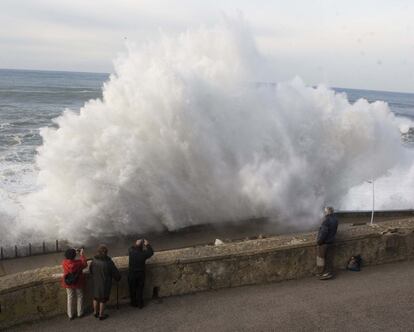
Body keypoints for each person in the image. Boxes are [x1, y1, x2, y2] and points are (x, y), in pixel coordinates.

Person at [89, 244, 121, 320]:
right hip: (105, 283)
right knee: (103, 299)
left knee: (96, 297)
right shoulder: (108, 262)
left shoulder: (94, 260)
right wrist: (118, 278)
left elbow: (90, 270)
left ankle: (95, 312)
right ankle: (101, 315)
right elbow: (115, 273)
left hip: (96, 282)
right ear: (106, 252)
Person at [61, 248, 88, 320]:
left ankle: (70, 315)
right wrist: (81, 255)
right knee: (80, 296)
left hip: (68, 282)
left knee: (70, 297)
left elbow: (69, 260)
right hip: (78, 281)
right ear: (74, 256)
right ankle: (80, 313)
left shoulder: (64, 263)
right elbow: (85, 264)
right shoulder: (79, 263)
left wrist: (73, 252)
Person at [128, 238, 154, 308]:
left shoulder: (131, 252)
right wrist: (147, 244)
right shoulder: (143, 254)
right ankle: (140, 304)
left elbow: (130, 248)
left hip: (132, 274)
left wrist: (137, 243)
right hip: (140, 274)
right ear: (142, 247)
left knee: (132, 289)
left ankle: (133, 303)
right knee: (140, 289)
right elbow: (151, 252)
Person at [316, 206, 338, 280]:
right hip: (331, 242)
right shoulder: (335, 219)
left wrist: (319, 241)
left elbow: (323, 233)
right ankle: (329, 273)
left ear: (326, 212)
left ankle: (322, 273)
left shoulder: (326, 221)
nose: (324, 213)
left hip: (324, 243)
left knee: (320, 259)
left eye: (325, 212)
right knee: (329, 259)